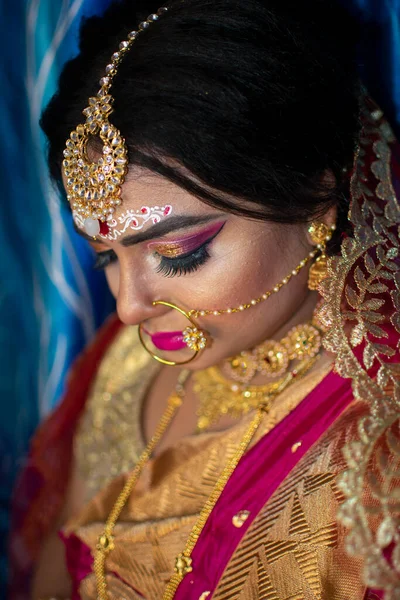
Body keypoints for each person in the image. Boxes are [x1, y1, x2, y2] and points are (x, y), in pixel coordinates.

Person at [9, 0, 400, 599]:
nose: (129, 309)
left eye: (180, 253)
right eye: (106, 258)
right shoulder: (131, 364)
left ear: (320, 190)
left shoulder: (378, 457)